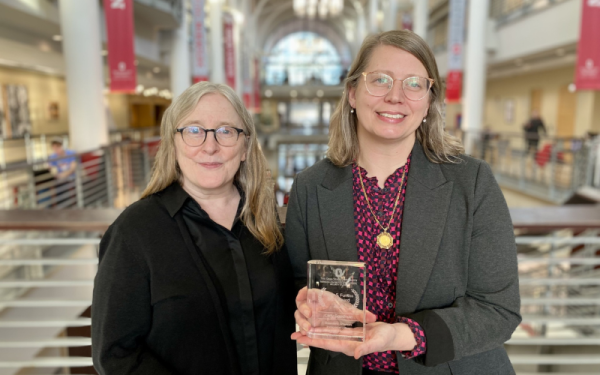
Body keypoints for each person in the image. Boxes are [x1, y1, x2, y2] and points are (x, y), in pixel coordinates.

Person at [286, 30, 521, 375]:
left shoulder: (471, 183)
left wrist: (401, 335)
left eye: (413, 84)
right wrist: (304, 307)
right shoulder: (309, 188)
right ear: (352, 93)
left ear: (428, 101)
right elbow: (298, 284)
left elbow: (498, 310)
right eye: (379, 80)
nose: (395, 96)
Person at [92, 82, 298, 375]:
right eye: (193, 131)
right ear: (173, 143)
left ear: (245, 147)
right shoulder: (134, 232)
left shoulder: (265, 223)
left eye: (226, 131)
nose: (210, 146)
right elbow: (114, 355)